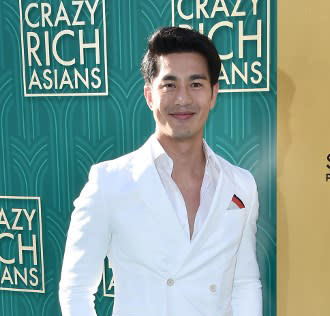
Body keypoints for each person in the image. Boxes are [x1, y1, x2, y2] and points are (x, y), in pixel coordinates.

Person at [59, 26, 262, 316]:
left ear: (214, 93)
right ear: (149, 95)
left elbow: (244, 283)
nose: (183, 99)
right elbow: (76, 288)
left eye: (195, 84)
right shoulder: (109, 183)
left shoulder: (241, 185)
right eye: (169, 84)